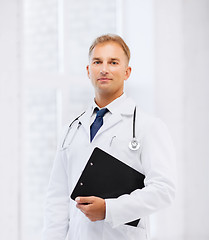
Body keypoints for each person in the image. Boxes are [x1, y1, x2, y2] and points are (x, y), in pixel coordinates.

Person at [42, 34, 176, 240]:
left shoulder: (148, 126)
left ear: (127, 71)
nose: (104, 69)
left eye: (113, 62)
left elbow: (163, 190)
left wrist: (109, 209)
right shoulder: (71, 130)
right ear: (88, 71)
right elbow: (57, 201)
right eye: (97, 62)